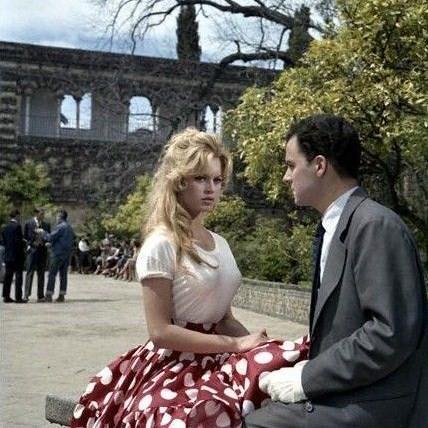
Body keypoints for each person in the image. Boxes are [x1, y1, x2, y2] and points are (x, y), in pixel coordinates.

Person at [71, 128, 309, 428]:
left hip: (219, 355)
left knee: (290, 362)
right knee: (194, 415)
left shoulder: (220, 244)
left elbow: (224, 319)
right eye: (200, 179)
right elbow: (160, 332)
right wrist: (235, 345)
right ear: (179, 181)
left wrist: (257, 345)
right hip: (175, 364)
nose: (211, 189)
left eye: (217, 180)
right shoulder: (161, 243)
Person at [245, 114, 428, 428]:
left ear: (319, 165)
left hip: (376, 405)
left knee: (253, 422)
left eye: (291, 165)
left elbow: (389, 334)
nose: (286, 177)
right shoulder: (340, 224)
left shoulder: (375, 225)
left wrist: (306, 378)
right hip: (349, 390)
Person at [42, 209, 75, 303]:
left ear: (60, 217)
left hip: (57, 254)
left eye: (57, 216)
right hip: (66, 254)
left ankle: (49, 295)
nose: (56, 218)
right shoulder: (69, 227)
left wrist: (43, 232)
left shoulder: (60, 227)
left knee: (52, 274)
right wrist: (52, 244)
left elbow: (50, 237)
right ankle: (61, 295)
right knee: (63, 275)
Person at [23, 208, 51, 302]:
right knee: (29, 272)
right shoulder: (28, 223)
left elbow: (48, 237)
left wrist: (47, 242)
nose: (43, 216)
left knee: (41, 273)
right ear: (36, 214)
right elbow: (25, 237)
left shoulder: (46, 225)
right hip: (32, 251)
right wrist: (28, 246)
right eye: (41, 214)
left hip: (42, 251)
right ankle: (26, 295)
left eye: (43, 214)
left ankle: (40, 295)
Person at [1, 209, 26, 303]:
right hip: (17, 256)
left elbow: (3, 241)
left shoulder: (5, 227)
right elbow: (18, 241)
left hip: (8, 255)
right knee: (18, 276)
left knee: (8, 276)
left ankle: (6, 296)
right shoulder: (17, 226)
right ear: (16, 215)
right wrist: (24, 244)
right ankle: (18, 297)